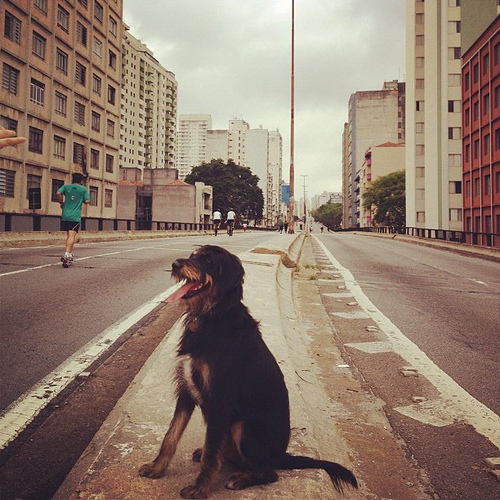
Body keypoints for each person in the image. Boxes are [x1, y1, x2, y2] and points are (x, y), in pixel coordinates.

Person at [56, 173, 90, 265]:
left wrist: (61, 202)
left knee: (69, 235)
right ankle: (67, 254)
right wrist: (80, 199)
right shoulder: (83, 189)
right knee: (72, 236)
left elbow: (58, 193)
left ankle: (70, 254)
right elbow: (87, 201)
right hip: (75, 216)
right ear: (81, 181)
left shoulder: (66, 187)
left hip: (65, 215)